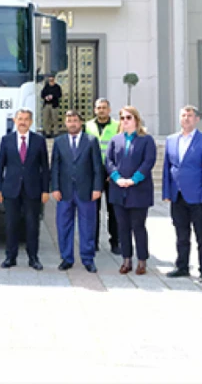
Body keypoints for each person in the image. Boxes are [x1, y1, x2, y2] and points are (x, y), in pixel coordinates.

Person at [162, 105, 202, 283]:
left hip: (198, 196)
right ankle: (182, 266)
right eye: (183, 115)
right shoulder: (171, 140)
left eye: (190, 115)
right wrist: (166, 191)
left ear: (197, 119)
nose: (186, 118)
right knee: (181, 234)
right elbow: (167, 168)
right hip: (177, 196)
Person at [0, 108, 49, 270]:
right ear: (15, 121)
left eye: (26, 119)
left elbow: (45, 168)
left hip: (33, 189)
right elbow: (0, 165)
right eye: (20, 119)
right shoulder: (6, 140)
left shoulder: (39, 140)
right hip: (11, 189)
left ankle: (33, 258)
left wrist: (46, 190)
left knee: (32, 224)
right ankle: (10, 257)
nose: (23, 122)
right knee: (11, 224)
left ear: (31, 122)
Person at [50, 109, 103, 273]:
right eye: (69, 120)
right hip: (64, 191)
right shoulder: (59, 142)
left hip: (86, 190)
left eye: (75, 120)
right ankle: (66, 258)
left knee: (88, 225)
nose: (72, 123)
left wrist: (97, 187)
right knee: (63, 225)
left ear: (81, 123)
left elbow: (97, 166)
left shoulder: (91, 141)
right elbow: (55, 166)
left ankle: (88, 259)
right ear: (65, 123)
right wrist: (55, 187)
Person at [105, 106, 155, 275]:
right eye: (122, 118)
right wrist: (117, 177)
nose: (125, 121)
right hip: (118, 190)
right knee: (122, 227)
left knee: (138, 226)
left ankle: (142, 261)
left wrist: (133, 180)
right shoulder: (115, 140)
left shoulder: (146, 140)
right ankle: (126, 260)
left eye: (128, 117)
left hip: (138, 191)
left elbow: (148, 162)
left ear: (136, 119)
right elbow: (109, 161)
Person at [85, 98, 121, 255]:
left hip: (111, 173)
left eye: (104, 107)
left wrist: (113, 172)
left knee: (113, 211)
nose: (101, 110)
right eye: (98, 107)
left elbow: (120, 150)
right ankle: (93, 242)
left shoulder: (117, 126)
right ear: (94, 110)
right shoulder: (87, 126)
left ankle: (115, 242)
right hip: (93, 173)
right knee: (93, 210)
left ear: (109, 109)